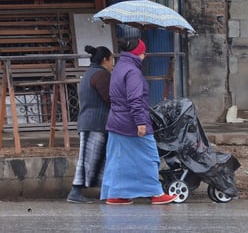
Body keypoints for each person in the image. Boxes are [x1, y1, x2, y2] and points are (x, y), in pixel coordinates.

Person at [100, 38, 178, 205]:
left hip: (116, 121)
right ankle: (156, 193)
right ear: (138, 53)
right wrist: (140, 123)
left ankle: (116, 195)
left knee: (118, 160)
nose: (145, 55)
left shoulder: (118, 68)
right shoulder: (133, 72)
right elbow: (135, 99)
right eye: (144, 52)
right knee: (149, 157)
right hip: (131, 123)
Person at [66, 45, 114, 203]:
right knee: (87, 158)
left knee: (97, 158)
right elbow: (110, 98)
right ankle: (75, 191)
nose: (113, 63)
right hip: (95, 123)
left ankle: (107, 191)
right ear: (104, 59)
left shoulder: (89, 73)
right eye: (111, 59)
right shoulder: (101, 75)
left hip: (91, 122)